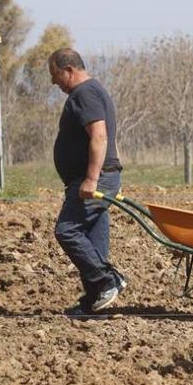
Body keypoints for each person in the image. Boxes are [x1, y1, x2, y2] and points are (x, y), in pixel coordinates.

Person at [49, 48, 126, 316]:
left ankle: (107, 281)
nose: (53, 82)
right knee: (94, 243)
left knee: (67, 230)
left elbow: (99, 136)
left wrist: (93, 178)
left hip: (94, 179)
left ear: (69, 70)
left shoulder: (84, 93)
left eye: (56, 75)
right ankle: (96, 300)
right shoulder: (91, 91)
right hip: (101, 177)